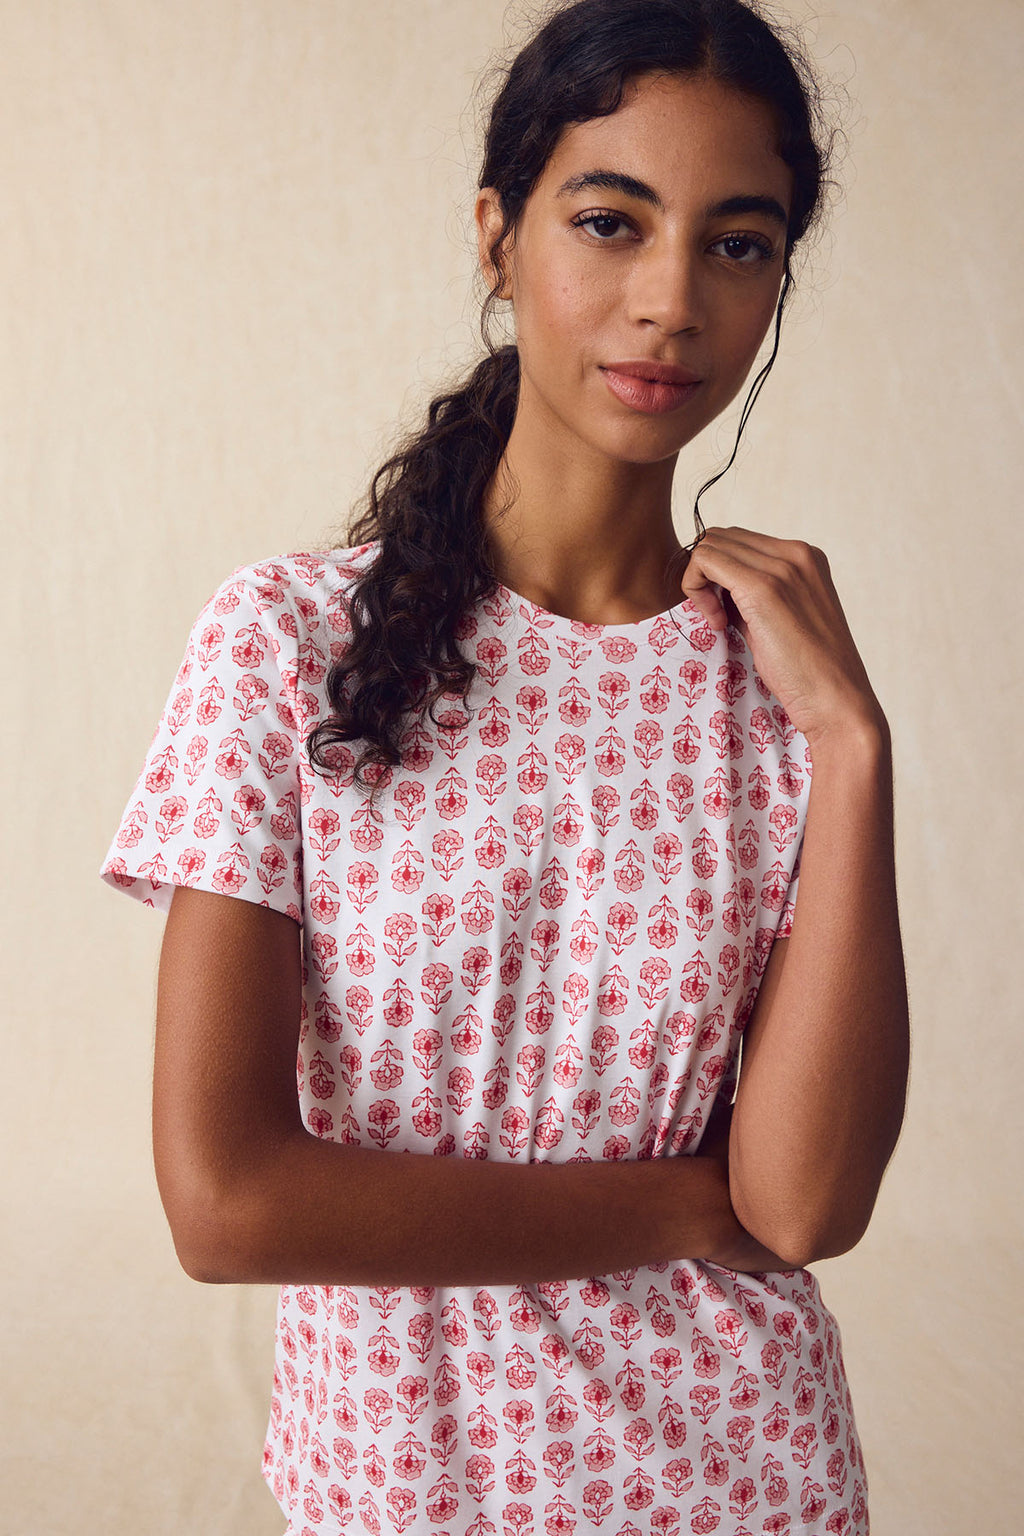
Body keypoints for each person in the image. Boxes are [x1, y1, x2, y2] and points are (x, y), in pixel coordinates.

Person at [101, 1, 910, 1531]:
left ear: (778, 279)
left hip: (747, 1482)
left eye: (737, 243)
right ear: (498, 236)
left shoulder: (783, 695)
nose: (668, 299)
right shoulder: (286, 644)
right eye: (611, 222)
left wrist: (856, 752)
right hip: (402, 1487)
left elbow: (803, 1206)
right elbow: (227, 1203)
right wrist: (680, 1200)